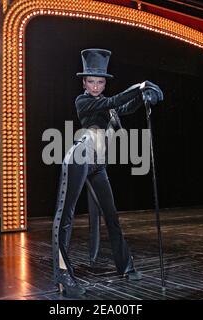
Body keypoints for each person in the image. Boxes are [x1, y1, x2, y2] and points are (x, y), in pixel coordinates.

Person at [52, 48, 163, 298]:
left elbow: (126, 106)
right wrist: (139, 85)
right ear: (84, 82)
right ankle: (62, 275)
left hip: (98, 165)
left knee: (112, 217)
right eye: (90, 81)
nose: (95, 86)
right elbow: (114, 101)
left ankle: (126, 265)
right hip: (79, 158)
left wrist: (146, 97)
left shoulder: (107, 107)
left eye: (100, 82)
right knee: (65, 217)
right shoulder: (84, 101)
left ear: (104, 83)